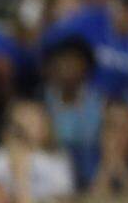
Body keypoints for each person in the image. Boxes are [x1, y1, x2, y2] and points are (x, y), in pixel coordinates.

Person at [42, 36, 104, 187]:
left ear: (86, 67)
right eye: (64, 61)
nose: (68, 67)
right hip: (52, 157)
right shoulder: (42, 99)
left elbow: (92, 138)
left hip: (88, 161)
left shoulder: (98, 101)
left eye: (74, 61)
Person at [0, 100, 74, 203]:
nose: (34, 124)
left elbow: (64, 197)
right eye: (27, 119)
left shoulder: (58, 157)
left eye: (38, 119)